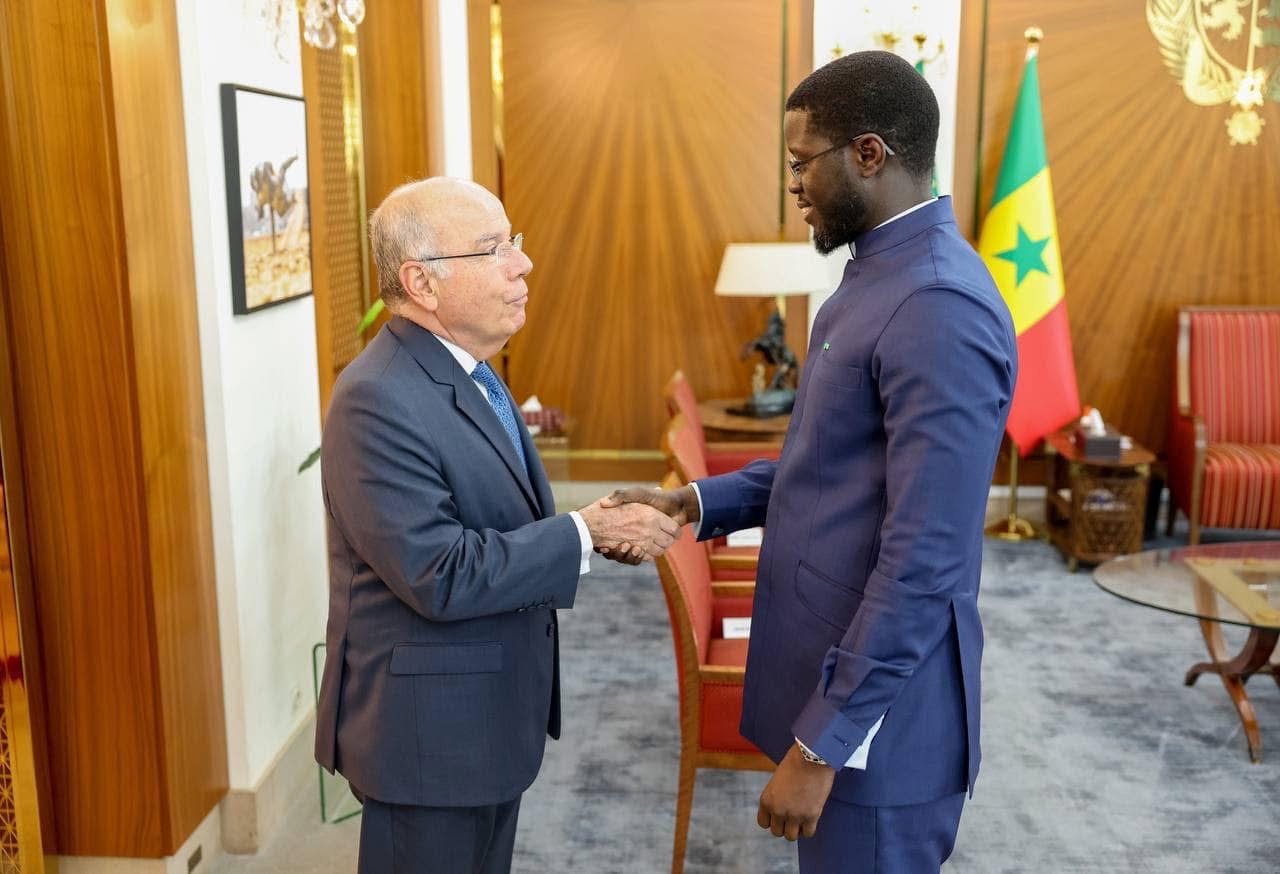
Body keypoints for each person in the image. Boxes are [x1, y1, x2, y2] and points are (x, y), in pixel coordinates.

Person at [604, 52, 1017, 872]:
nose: (793, 185)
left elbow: (924, 559)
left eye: (802, 163)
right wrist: (694, 502)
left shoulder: (937, 303)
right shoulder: (877, 272)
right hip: (832, 676)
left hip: (881, 734)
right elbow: (829, 466)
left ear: (868, 154)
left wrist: (823, 746)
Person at [314, 177, 679, 874]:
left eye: (514, 241)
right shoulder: (376, 398)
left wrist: (592, 533)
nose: (522, 263)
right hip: (428, 741)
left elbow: (502, 520)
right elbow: (439, 572)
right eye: (492, 249)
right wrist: (585, 533)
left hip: (483, 720)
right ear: (421, 283)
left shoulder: (469, 368)